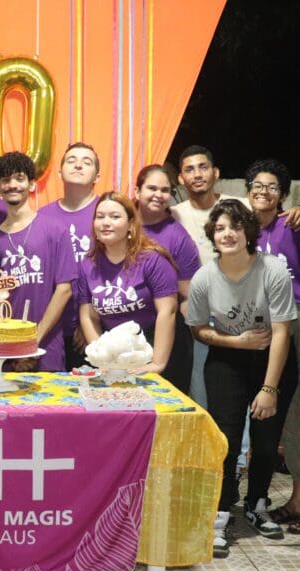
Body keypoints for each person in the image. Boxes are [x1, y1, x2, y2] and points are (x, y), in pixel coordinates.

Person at [186, 199, 298, 558]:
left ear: (248, 232)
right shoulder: (205, 277)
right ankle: (220, 514)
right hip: (227, 360)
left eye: (234, 226)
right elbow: (199, 329)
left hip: (272, 359)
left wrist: (269, 388)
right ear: (212, 236)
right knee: (226, 438)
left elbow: (282, 332)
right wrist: (234, 341)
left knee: (266, 440)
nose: (227, 234)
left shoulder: (273, 270)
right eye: (219, 228)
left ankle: (257, 503)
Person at [244, 159, 300, 535]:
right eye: (257, 186)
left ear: (282, 195)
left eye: (272, 187)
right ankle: (297, 497)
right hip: (272, 324)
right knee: (290, 408)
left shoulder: (294, 224)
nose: (264, 192)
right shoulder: (243, 229)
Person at [0, 151, 76, 371]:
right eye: (5, 180)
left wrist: (33, 341)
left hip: (47, 345)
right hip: (5, 349)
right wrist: (14, 345)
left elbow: (65, 289)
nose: (12, 185)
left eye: (19, 178)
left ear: (32, 184)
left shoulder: (56, 230)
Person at [77, 192, 178, 376]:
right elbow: (88, 317)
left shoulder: (152, 260)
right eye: (100, 217)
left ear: (131, 225)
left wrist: (157, 363)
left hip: (156, 346)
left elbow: (167, 311)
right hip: (116, 354)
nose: (106, 222)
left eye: (115, 217)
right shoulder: (87, 264)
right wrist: (103, 359)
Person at [133, 164, 201, 392]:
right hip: (122, 333)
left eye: (164, 190)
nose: (158, 195)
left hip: (164, 332)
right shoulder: (118, 223)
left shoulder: (178, 237)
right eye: (151, 188)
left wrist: (185, 336)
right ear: (137, 191)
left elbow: (187, 295)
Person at [37, 143, 101, 369]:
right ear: (59, 172)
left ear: (97, 175)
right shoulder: (42, 217)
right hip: (49, 326)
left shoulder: (106, 214)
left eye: (87, 161)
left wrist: (91, 323)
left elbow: (114, 272)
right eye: (71, 159)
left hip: (94, 326)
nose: (78, 164)